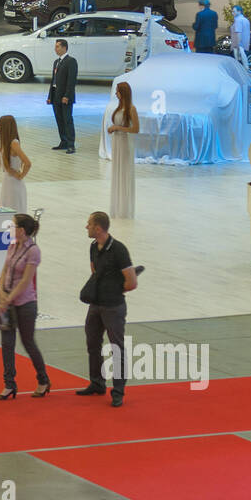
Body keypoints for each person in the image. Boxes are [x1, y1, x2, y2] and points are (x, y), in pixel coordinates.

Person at [77, 211, 137, 408]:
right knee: (92, 342)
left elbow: (132, 282)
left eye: (89, 224)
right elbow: (94, 271)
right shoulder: (94, 246)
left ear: (98, 228)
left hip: (113, 307)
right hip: (96, 304)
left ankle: (118, 391)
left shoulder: (119, 250)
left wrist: (113, 290)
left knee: (116, 347)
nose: (86, 227)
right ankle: (97, 383)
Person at [0, 212, 49, 399]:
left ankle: (43, 379)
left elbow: (26, 280)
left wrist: (8, 300)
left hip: (25, 303)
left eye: (14, 225)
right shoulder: (12, 245)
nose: (11, 228)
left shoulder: (33, 251)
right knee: (6, 343)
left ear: (22, 230)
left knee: (28, 342)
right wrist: (1, 293)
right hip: (5, 301)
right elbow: (4, 270)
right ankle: (9, 384)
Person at [107, 82, 139, 219]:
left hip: (125, 144)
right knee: (117, 171)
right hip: (117, 143)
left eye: (118, 91)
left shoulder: (131, 109)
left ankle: (125, 209)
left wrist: (117, 128)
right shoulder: (119, 108)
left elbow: (135, 129)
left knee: (124, 172)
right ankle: (117, 207)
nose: (116, 94)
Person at [47, 38, 78, 153]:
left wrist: (67, 96)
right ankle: (63, 141)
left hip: (65, 97)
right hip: (55, 95)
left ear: (64, 47)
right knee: (59, 120)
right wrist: (50, 96)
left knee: (67, 120)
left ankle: (71, 144)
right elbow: (53, 80)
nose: (55, 49)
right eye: (55, 46)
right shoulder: (56, 62)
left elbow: (71, 81)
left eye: (57, 46)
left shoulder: (71, 61)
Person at [0, 114, 30, 212]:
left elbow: (27, 163)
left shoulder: (14, 143)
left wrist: (21, 176)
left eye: (0, 125)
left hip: (14, 184)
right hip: (8, 182)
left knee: (14, 212)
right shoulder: (6, 143)